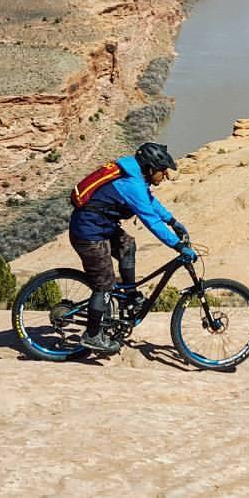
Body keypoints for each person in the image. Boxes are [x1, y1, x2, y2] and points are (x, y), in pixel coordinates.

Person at [69, 141, 196, 353]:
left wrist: (173, 221)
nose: (165, 175)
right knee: (105, 283)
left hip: (101, 227)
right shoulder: (132, 184)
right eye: (163, 170)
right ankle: (91, 335)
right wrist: (178, 246)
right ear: (150, 167)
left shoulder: (136, 176)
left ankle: (130, 297)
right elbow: (150, 221)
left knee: (128, 245)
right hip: (88, 233)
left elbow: (151, 202)